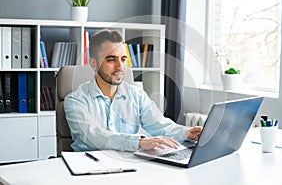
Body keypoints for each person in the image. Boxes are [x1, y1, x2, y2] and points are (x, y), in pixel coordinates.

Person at [64, 29, 203, 152]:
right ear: (94, 64)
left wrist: (187, 132)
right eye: (111, 60)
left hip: (129, 167)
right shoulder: (75, 100)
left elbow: (160, 125)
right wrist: (139, 142)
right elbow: (94, 136)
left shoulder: (137, 95)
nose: (120, 66)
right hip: (89, 169)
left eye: (123, 59)